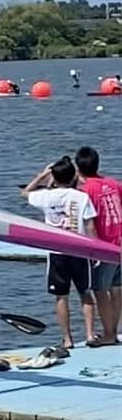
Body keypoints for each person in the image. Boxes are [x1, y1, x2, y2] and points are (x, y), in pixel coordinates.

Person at [22, 157, 98, 348]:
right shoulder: (81, 197)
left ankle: (67, 339)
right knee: (85, 294)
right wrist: (96, 250)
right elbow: (90, 225)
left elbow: (25, 192)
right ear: (73, 175)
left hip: (57, 252)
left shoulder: (46, 196)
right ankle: (90, 335)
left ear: (54, 178)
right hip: (80, 250)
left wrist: (43, 174)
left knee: (61, 297)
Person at [74, 146, 122, 346]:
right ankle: (113, 331)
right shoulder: (113, 183)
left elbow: (88, 222)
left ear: (78, 168)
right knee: (117, 289)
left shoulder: (85, 191)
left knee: (100, 290)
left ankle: (109, 333)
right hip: (120, 241)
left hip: (106, 246)